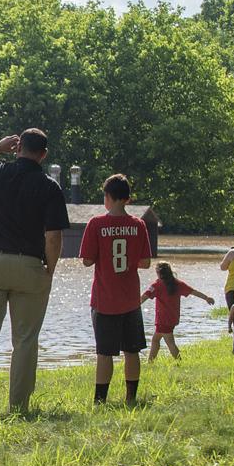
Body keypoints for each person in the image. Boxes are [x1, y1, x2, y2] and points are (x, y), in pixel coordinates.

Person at [0, 129, 70, 419]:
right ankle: (18, 407)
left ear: (17, 148)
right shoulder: (49, 187)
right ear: (43, 155)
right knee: (25, 340)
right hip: (29, 265)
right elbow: (53, 237)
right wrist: (50, 270)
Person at [79, 173, 151, 406]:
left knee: (105, 353)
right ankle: (131, 397)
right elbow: (146, 262)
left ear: (108, 197)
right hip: (130, 299)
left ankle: (100, 400)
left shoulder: (96, 224)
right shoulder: (138, 225)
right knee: (132, 350)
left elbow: (87, 260)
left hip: (104, 299)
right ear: (128, 199)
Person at [141, 261, 215, 362]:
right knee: (155, 340)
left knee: (170, 343)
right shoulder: (178, 283)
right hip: (172, 318)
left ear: (159, 273)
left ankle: (180, 362)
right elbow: (193, 292)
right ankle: (150, 362)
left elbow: (144, 297)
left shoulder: (157, 285)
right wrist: (206, 298)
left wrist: (133, 307)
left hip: (163, 319)